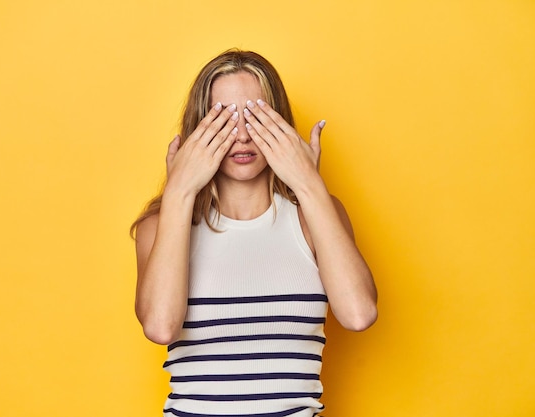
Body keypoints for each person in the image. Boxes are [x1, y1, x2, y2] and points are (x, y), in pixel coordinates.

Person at [130, 49, 377, 417]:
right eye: (225, 120)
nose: (243, 136)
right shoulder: (161, 225)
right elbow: (161, 327)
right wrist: (179, 192)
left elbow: (359, 315)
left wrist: (309, 184)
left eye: (255, 117)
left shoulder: (315, 216)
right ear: (200, 129)